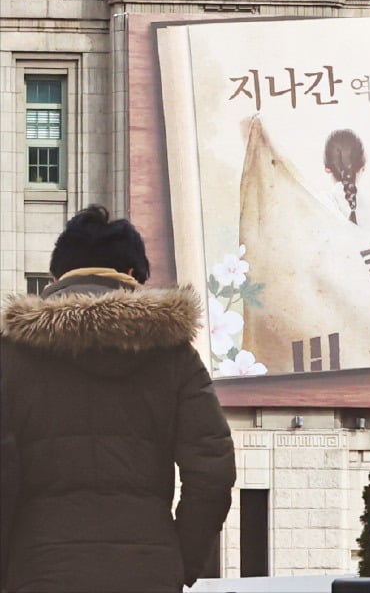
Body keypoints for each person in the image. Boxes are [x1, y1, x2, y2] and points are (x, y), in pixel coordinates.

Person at [1, 205, 236, 592]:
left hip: (38, 570)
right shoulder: (175, 356)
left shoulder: (11, 356)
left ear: (57, 278)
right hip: (148, 572)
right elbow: (213, 472)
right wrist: (180, 560)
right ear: (132, 276)